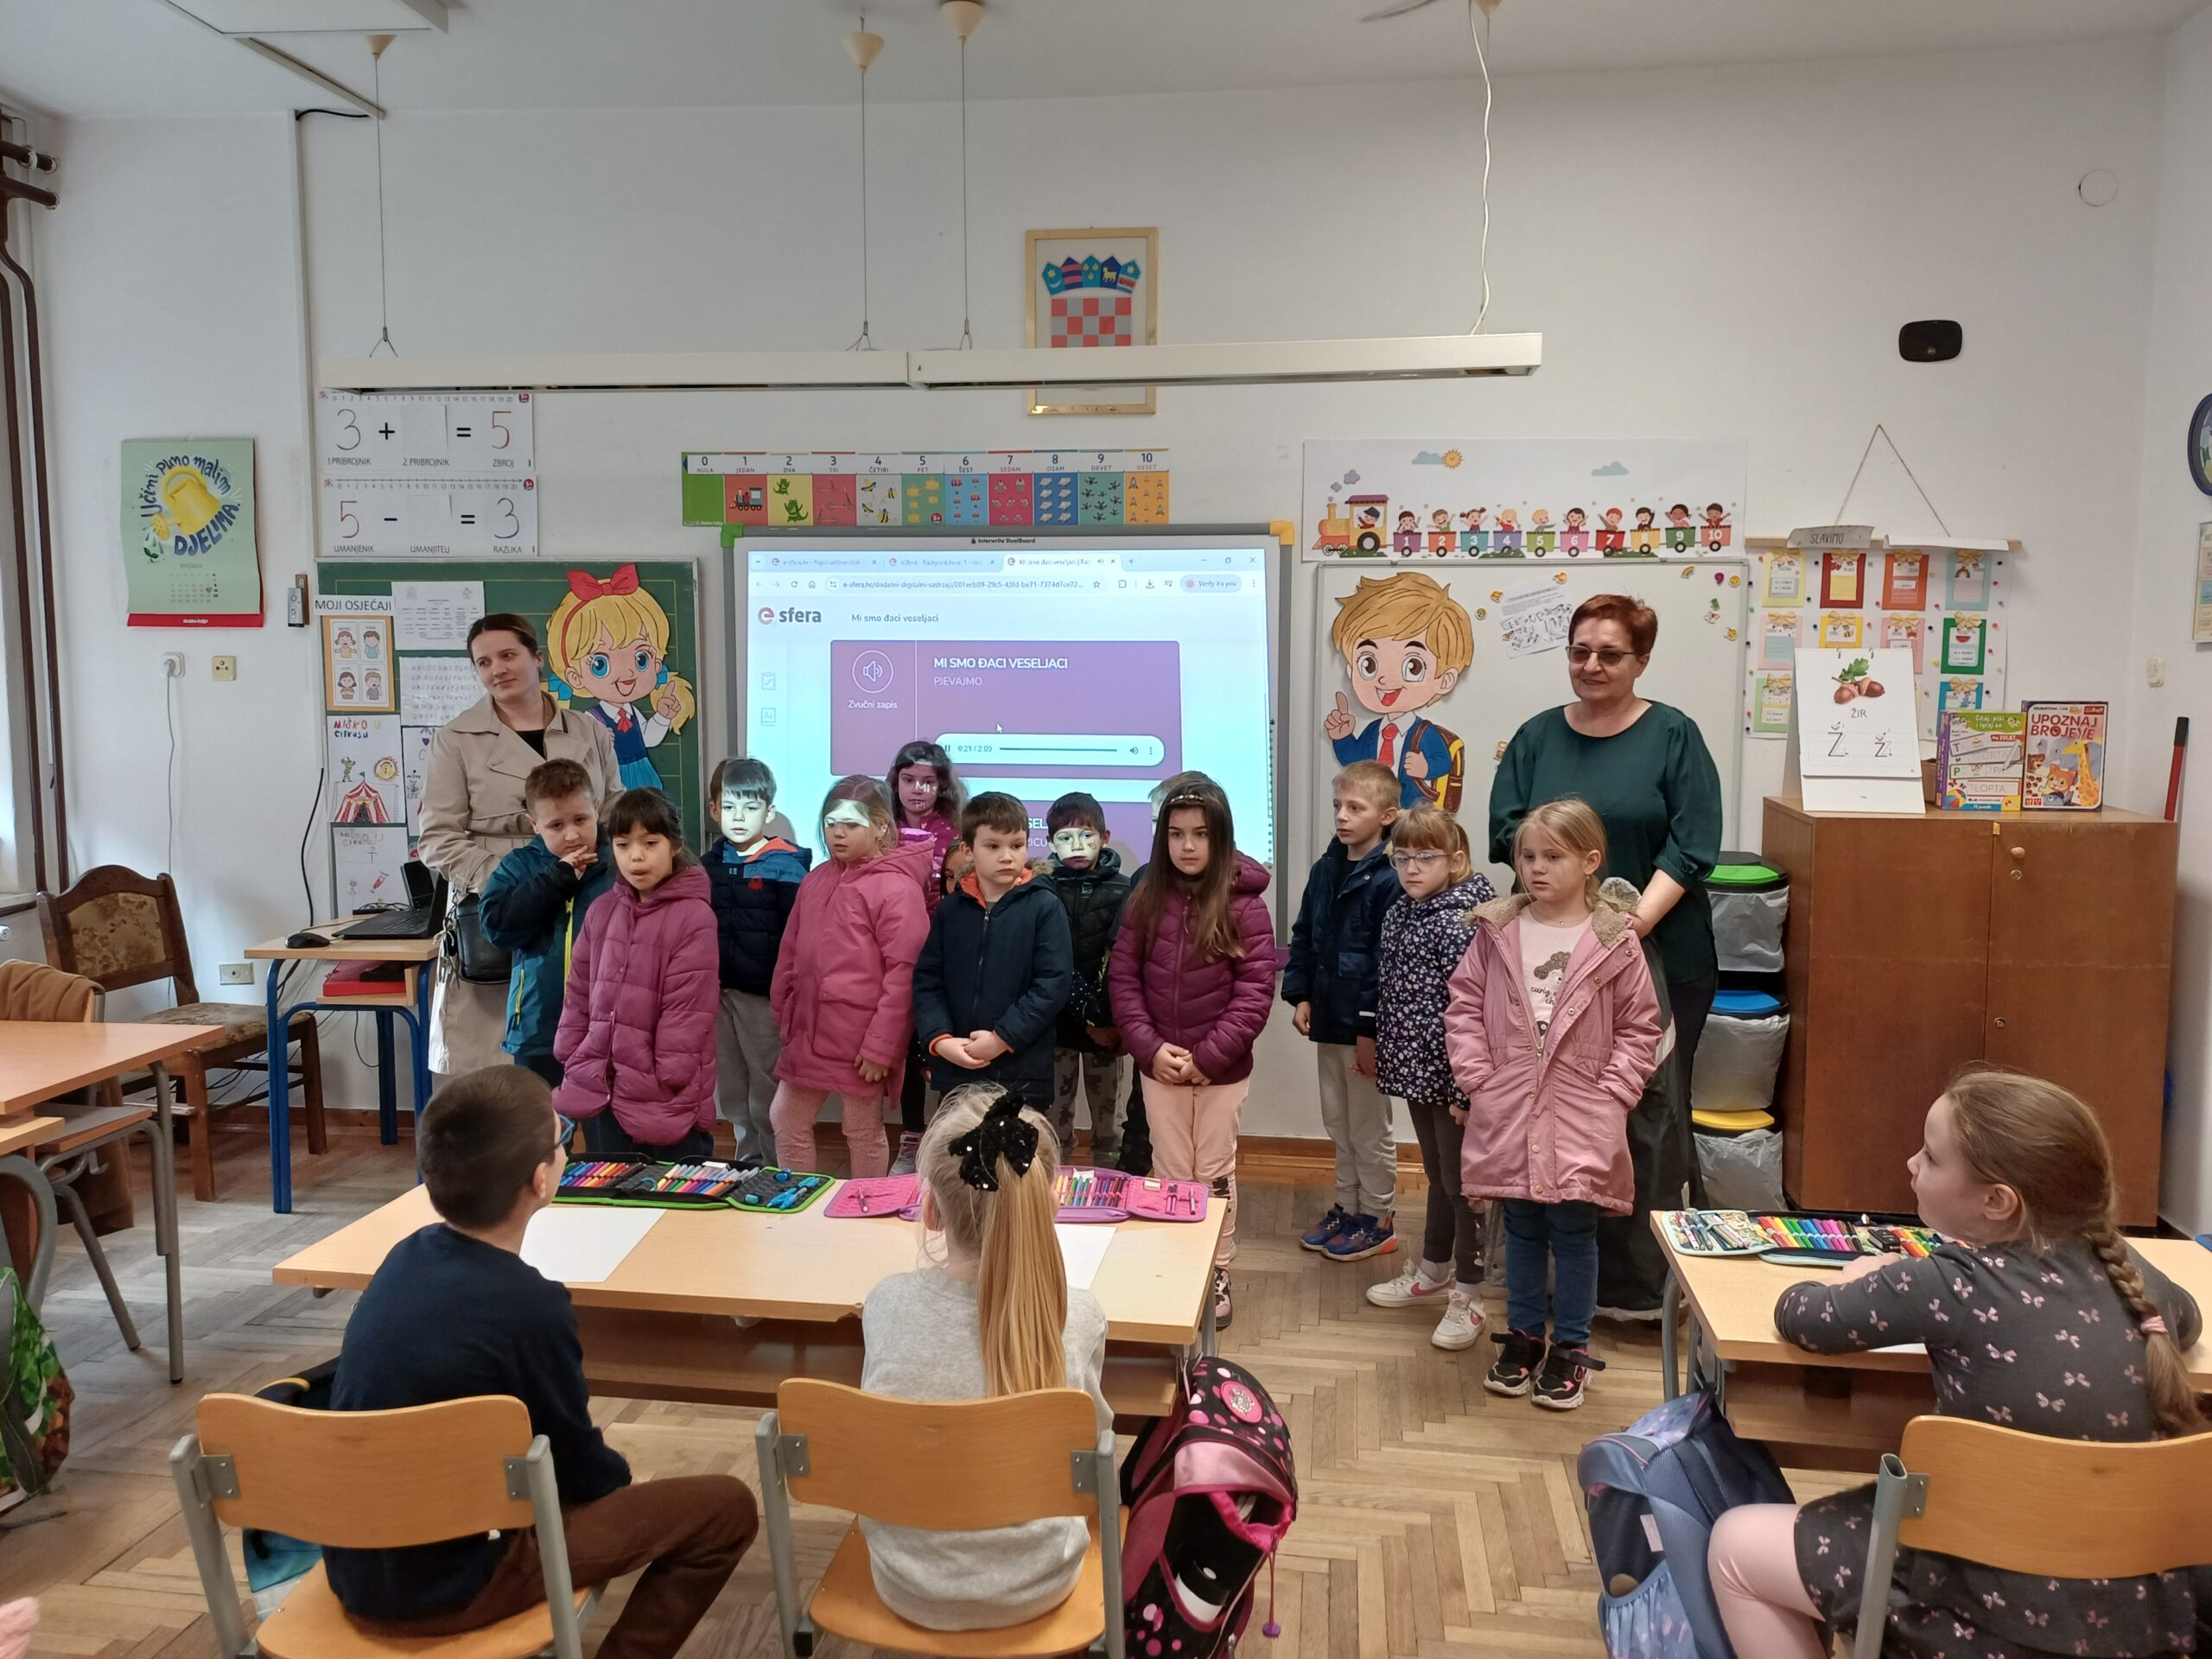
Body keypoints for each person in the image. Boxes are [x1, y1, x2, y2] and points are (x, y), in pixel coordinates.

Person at [1709, 1071, 2209, 1659]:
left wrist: (1856, 1278)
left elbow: (1800, 1315)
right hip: (2142, 1614)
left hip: (1982, 1617)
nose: (1911, 1163)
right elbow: (2187, 1319)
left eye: (1931, 1156)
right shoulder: (2136, 1280)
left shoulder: (1950, 1284)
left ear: (1997, 1202)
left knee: (1735, 1548)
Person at [324, 1067, 758, 1658]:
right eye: (563, 1137)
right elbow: (584, 1472)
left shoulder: (403, 1257)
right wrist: (616, 1490)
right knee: (726, 1509)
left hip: (356, 1564)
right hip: (462, 1580)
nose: (566, 1147)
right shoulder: (530, 1305)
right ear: (542, 1179)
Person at [858, 1085, 1109, 1630]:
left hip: (905, 1586)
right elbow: (1095, 1455)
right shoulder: (1078, 1316)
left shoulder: (885, 1303)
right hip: (1040, 1584)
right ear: (1049, 1205)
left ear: (931, 1211)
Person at [1446, 799, 1662, 1410]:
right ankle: (1522, 1337)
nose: (1536, 868)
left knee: (1572, 1230)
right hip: (1509, 1106)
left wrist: (1614, 1093)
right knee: (1519, 1225)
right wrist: (1480, 1079)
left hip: (1582, 1112)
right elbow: (1464, 1006)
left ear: (1590, 861)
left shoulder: (1615, 942)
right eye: (1527, 856)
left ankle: (1570, 1345)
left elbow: (1640, 1027)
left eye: (1553, 856)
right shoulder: (1496, 932)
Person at [1488, 593, 1722, 1077]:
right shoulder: (1536, 737)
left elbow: (1691, 845)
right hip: (1550, 953)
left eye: (1610, 655)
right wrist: (1569, 923)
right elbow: (1509, 832)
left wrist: (1630, 926)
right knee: (1556, 1092)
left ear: (1642, 662)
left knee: (1653, 1099)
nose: (1591, 666)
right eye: (1580, 652)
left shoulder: (1674, 734)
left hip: (1660, 949)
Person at [1108, 772, 1277, 1330]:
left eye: (1200, 835)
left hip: (1220, 1072)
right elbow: (1124, 983)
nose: (1187, 846)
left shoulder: (1246, 907)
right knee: (1171, 1168)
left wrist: (1206, 1058)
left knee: (1214, 1169)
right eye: (1177, 834)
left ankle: (1217, 1266)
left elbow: (1254, 995)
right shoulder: (1145, 900)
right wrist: (1150, 1049)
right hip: (1159, 1068)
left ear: (1220, 837)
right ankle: (1176, 1259)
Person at [416, 613, 618, 1077]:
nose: (497, 670)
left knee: (586, 1062)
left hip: (586, 901)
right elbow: (438, 838)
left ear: (537, 658)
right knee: (498, 1072)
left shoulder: (589, 731)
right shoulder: (455, 739)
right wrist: (511, 882)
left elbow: (613, 813)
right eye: (483, 662)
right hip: (497, 909)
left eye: (508, 655)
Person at [1367, 805, 1497, 1349]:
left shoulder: (1466, 921)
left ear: (1456, 860)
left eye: (1425, 857)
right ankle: (1434, 1270)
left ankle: (1470, 1294)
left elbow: (1481, 1013)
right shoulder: (1402, 911)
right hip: (1418, 1072)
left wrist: (1469, 1089)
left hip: (1455, 1079)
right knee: (1439, 1175)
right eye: (1402, 857)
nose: (1412, 868)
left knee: (1464, 1184)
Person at [769, 776, 931, 1177]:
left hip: (861, 1043)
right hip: (809, 1032)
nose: (838, 833)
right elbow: (790, 952)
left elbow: (904, 976)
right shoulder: (816, 879)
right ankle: (798, 1194)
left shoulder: (897, 889)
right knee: (786, 1116)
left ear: (881, 826)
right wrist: (785, 1011)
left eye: (851, 824)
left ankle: (867, 1202)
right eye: (830, 823)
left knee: (861, 1129)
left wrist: (881, 1048)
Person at [551, 788, 720, 1160]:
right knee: (610, 1186)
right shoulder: (601, 910)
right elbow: (578, 991)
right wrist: (572, 1050)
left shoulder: (694, 917)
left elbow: (687, 1011)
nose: (636, 856)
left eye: (650, 843)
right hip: (601, 1084)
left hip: (664, 1092)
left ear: (675, 845)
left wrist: (666, 1075)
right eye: (623, 845)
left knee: (672, 1189)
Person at [1287, 760, 1404, 1263]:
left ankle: (1378, 1217)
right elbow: (1304, 935)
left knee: (1368, 1128)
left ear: (1387, 815)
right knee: (1338, 1121)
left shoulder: (1392, 877)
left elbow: (1386, 962)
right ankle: (1348, 1207)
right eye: (1338, 806)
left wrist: (1369, 1030)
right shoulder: (1326, 868)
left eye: (1355, 808)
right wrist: (1301, 994)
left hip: (1365, 1029)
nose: (1341, 816)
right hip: (1328, 1020)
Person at [912, 791, 1075, 1105]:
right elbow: (928, 980)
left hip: (1022, 1071)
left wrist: (1002, 1038)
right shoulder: (950, 910)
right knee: (959, 1138)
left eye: (1016, 845)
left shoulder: (1045, 906)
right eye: (993, 846)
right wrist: (940, 1039)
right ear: (968, 850)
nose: (1007, 856)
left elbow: (1052, 985)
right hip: (958, 1066)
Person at [478, 759, 614, 1089]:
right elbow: (497, 927)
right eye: (556, 825)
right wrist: (556, 880)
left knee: (605, 1116)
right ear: (534, 824)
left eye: (581, 819)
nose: (572, 834)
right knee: (540, 1116)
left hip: (608, 1027)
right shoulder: (518, 867)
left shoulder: (620, 865)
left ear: (597, 808)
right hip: (539, 1029)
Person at [702, 757, 811, 1166]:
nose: (738, 817)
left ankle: (776, 1164)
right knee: (732, 1086)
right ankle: (748, 1161)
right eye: (729, 807)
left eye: (750, 807)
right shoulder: (705, 867)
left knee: (766, 1084)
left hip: (764, 999)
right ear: (714, 810)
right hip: (719, 996)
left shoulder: (787, 866)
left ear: (769, 811)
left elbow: (797, 936)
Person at [543, 564, 697, 794]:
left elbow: (648, 738)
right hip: (611, 779)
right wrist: (597, 742)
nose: (627, 674)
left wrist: (663, 716)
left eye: (641, 659)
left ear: (657, 664)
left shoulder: (632, 712)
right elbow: (578, 756)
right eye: (600, 664)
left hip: (643, 775)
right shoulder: (591, 718)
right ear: (575, 677)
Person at [886, 740, 966, 1173]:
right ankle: (911, 1137)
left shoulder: (956, 832)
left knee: (939, 1042)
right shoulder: (883, 828)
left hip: (943, 950)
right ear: (895, 782)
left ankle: (950, 1137)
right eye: (909, 779)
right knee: (904, 1047)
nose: (917, 789)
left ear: (942, 786)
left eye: (928, 782)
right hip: (893, 949)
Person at [1039, 791, 1131, 1166]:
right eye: (1065, 837)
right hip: (1054, 1025)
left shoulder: (1124, 889)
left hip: (1104, 1028)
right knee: (1053, 1121)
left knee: (1108, 1123)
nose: (1076, 845)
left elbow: (1125, 960)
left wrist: (1112, 1020)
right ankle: (1053, 1185)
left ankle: (1109, 1180)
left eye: (1086, 835)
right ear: (1050, 842)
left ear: (1104, 838)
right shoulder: (1041, 888)